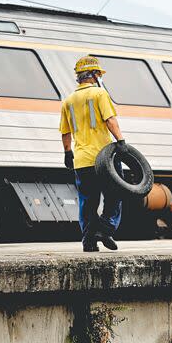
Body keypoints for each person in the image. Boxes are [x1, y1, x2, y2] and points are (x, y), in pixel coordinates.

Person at [59, 56, 130, 252]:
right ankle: (105, 228)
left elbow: (65, 132)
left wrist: (67, 153)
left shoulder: (68, 101)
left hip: (81, 159)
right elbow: (110, 120)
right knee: (115, 194)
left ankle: (88, 241)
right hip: (104, 158)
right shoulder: (99, 94)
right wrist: (121, 142)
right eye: (99, 74)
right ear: (93, 75)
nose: (100, 77)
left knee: (87, 202)